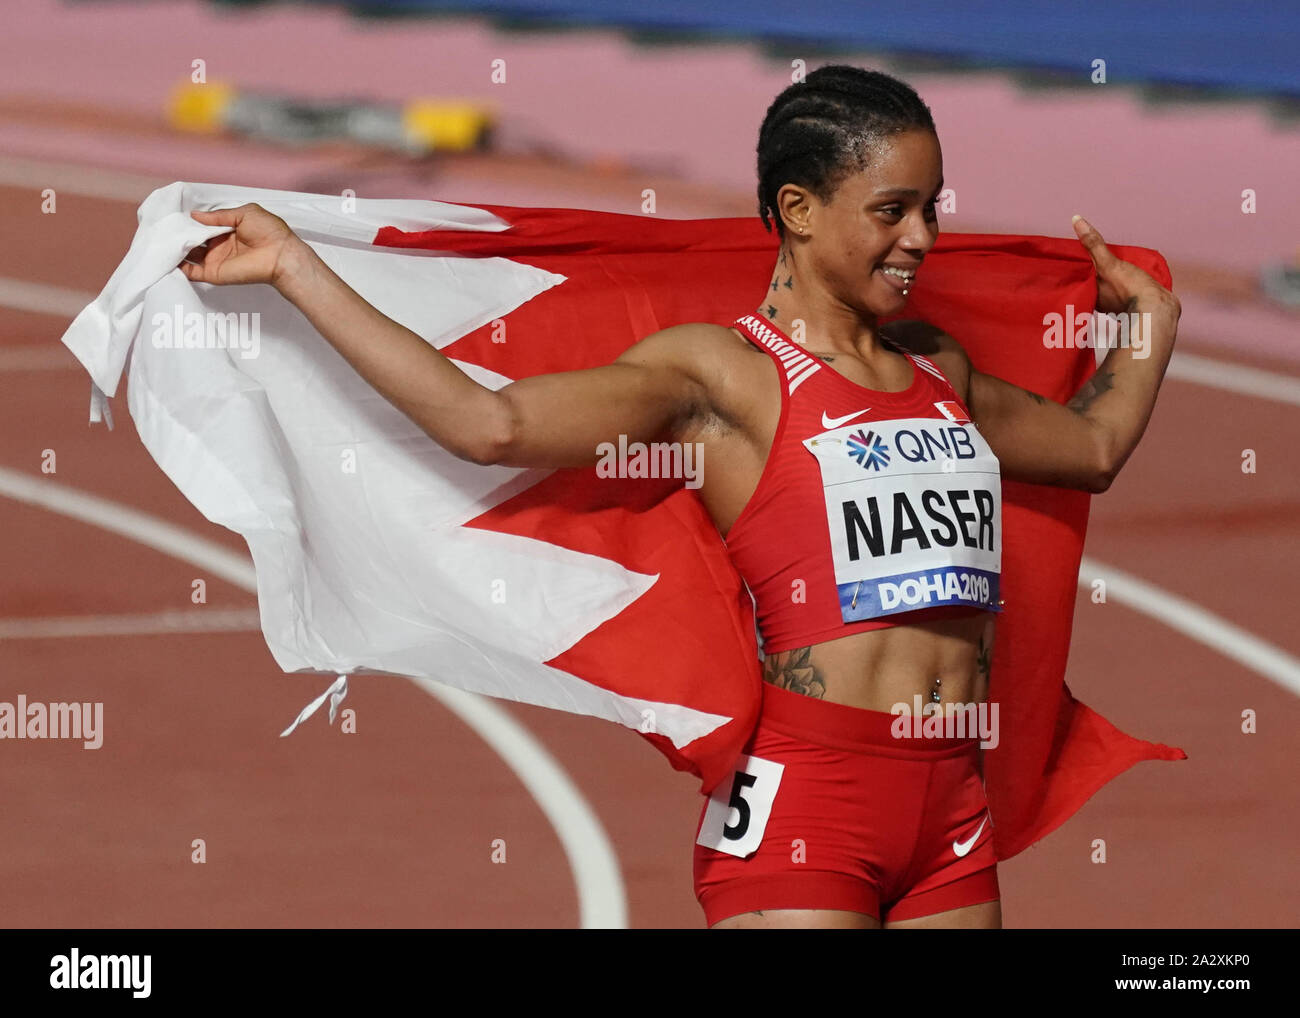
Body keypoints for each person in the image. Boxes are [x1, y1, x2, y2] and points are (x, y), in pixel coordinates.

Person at [177, 65, 1180, 929]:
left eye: (931, 207)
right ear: (796, 210)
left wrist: (1151, 326)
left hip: (952, 805)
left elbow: (1089, 445)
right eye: (891, 210)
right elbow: (491, 425)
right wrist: (298, 269)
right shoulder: (725, 376)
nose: (920, 237)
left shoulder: (934, 370)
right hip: (808, 808)